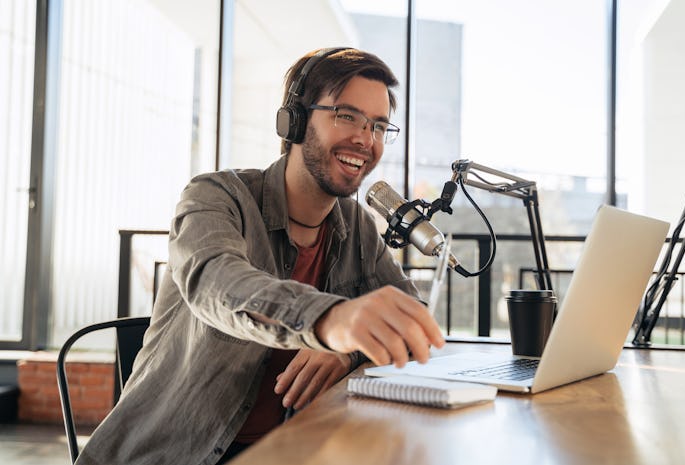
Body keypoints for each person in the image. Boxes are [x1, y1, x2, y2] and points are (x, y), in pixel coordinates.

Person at [75, 47, 444, 465]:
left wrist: (345, 349)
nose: (365, 138)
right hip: (172, 455)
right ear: (295, 120)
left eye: (378, 125)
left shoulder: (356, 225)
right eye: (347, 115)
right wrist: (329, 320)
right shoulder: (215, 197)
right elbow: (218, 283)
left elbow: (412, 310)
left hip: (287, 448)